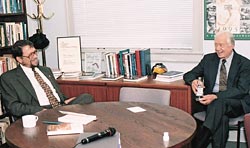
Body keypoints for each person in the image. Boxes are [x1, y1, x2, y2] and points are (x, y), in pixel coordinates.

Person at [183, 31, 250, 148]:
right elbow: (189, 74)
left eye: (221, 45)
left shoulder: (244, 63)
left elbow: (242, 90)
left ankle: (199, 142)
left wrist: (216, 96)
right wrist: (193, 80)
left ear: (232, 45)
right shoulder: (209, 59)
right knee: (221, 118)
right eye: (216, 45)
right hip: (210, 102)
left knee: (218, 102)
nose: (217, 48)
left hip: (234, 103)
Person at [0, 40, 94, 119]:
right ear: (19, 59)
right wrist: (40, 110)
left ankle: (63, 116)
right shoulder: (9, 78)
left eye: (35, 52)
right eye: (30, 55)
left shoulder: (45, 70)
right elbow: (13, 107)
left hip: (60, 107)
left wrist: (65, 100)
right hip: (39, 111)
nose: (35, 56)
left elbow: (56, 93)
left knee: (87, 97)